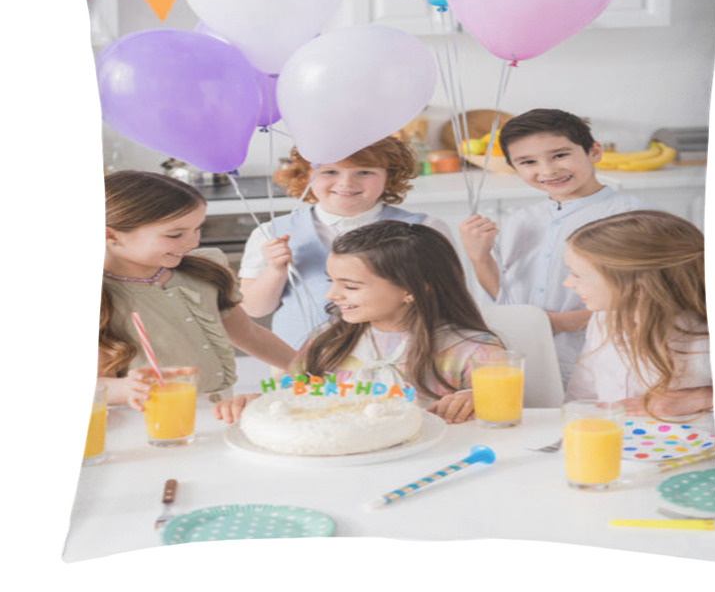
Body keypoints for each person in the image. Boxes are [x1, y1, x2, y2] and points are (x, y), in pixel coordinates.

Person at [215, 221, 506, 425]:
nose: (332, 295)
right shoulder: (328, 340)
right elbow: (293, 396)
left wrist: (476, 398)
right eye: (332, 281)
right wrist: (259, 402)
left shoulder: (472, 351)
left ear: (413, 290)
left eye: (350, 286)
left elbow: (508, 416)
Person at [459, 108, 650, 386]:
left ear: (594, 151)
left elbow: (652, 299)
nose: (548, 170)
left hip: (604, 359)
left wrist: (561, 323)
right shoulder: (521, 220)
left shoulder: (635, 216)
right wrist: (479, 257)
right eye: (528, 162)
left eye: (560, 155)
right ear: (514, 167)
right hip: (529, 356)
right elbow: (505, 296)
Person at [100, 170, 295, 408]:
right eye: (175, 234)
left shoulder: (203, 274)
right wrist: (123, 389)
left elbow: (248, 334)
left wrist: (308, 368)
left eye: (197, 228)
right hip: (146, 422)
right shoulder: (102, 297)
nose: (192, 242)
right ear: (110, 234)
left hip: (220, 410)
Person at [238, 136, 452, 349]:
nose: (346, 183)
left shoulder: (425, 229)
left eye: (365, 172)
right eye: (330, 171)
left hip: (400, 359)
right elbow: (254, 309)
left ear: (390, 176)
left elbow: (447, 301)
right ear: (306, 176)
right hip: (298, 363)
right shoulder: (270, 233)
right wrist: (275, 270)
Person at [563, 210, 713, 419]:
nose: (568, 283)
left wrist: (700, 397)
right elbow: (582, 391)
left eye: (577, 274)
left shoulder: (703, 337)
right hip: (616, 442)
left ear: (637, 284)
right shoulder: (602, 320)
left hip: (691, 444)